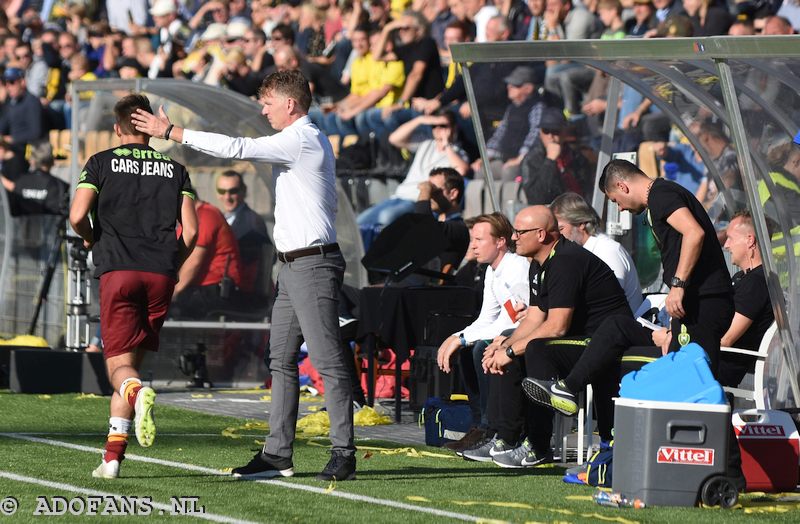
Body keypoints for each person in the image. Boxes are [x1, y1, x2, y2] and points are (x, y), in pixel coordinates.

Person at [131, 70, 356, 482]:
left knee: (326, 360)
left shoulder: (301, 138)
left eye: (268, 102)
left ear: (290, 104)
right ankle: (277, 453)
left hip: (311, 264)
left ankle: (344, 451)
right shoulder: (298, 139)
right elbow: (242, 141)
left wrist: (172, 131)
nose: (263, 109)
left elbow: (238, 146)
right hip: (292, 266)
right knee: (281, 360)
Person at [69, 94, 198, 479]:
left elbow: (77, 215)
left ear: (117, 128)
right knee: (132, 367)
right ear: (148, 129)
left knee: (118, 368)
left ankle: (136, 394)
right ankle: (112, 458)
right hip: (160, 274)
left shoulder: (100, 162)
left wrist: (92, 238)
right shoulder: (177, 170)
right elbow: (191, 231)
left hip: (119, 270)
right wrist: (170, 265)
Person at [463, 205, 630, 467]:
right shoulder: (539, 263)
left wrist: (510, 351)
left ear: (541, 234)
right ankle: (504, 436)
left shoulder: (566, 261)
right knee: (508, 345)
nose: (514, 237)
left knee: (533, 350)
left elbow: (557, 327)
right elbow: (534, 317)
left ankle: (537, 444)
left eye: (520, 232)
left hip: (599, 345)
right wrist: (504, 344)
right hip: (573, 339)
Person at [436, 212, 530, 452]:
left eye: (479, 240)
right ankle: (480, 425)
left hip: (526, 339)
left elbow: (514, 321)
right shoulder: (492, 271)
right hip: (509, 332)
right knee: (469, 348)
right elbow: (487, 318)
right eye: (472, 240)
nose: (473, 246)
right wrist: (457, 337)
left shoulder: (516, 267)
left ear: (500, 241)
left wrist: (463, 338)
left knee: (479, 347)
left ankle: (495, 428)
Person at [550, 192, 642, 313]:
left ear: (581, 223)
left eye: (561, 229)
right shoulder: (579, 253)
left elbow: (607, 303)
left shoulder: (608, 252)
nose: (557, 235)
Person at [170, 198, 242, 319]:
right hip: (201, 289)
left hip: (217, 291)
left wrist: (174, 291)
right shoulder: (188, 220)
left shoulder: (205, 215)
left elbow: (194, 261)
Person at [215, 170, 272, 297]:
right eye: (222, 191)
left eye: (233, 191)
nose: (227, 197)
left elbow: (263, 261)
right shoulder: (224, 218)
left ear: (243, 191)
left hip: (241, 292)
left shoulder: (252, 223)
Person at [413, 167, 470, 273]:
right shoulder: (436, 222)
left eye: (434, 190)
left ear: (453, 194)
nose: (430, 196)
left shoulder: (459, 228)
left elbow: (422, 224)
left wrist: (425, 189)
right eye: (430, 190)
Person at [1, 142, 67, 216]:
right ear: (52, 161)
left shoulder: (21, 181)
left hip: (23, 226)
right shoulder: (59, 186)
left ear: (32, 161)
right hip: (49, 226)